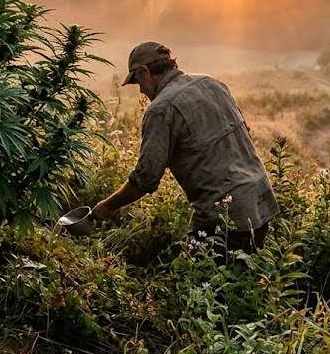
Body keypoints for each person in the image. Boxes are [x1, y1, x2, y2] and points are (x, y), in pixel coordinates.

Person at [92, 41, 278, 256]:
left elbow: (145, 179)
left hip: (224, 216)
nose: (141, 90)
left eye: (137, 81)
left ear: (144, 72)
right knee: (244, 271)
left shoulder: (161, 110)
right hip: (260, 201)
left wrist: (106, 207)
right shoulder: (213, 84)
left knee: (198, 273)